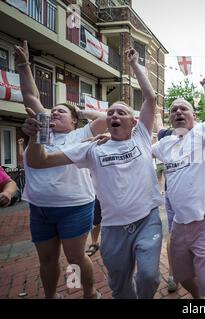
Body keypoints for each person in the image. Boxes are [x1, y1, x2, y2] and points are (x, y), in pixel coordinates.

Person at [23, 48, 163, 299]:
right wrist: (34, 138)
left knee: (149, 276)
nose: (114, 115)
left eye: (122, 112)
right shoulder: (91, 147)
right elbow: (40, 161)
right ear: (106, 121)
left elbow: (151, 99)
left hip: (139, 218)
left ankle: (86, 292)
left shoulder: (140, 135)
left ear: (134, 122)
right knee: (120, 286)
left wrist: (134, 65)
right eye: (110, 113)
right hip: (110, 226)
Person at [15, 40, 107, 299]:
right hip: (40, 207)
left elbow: (103, 118)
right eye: (52, 111)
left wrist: (77, 109)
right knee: (46, 259)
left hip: (75, 207)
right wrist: (24, 66)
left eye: (61, 113)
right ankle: (51, 296)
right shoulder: (42, 132)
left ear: (74, 121)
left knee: (74, 257)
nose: (53, 114)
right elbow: (32, 97)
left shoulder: (81, 134)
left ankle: (87, 292)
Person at [151, 75, 205, 299]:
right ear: (170, 118)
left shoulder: (202, 134)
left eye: (184, 109)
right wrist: (104, 137)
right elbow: (139, 148)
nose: (178, 112)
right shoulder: (164, 144)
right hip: (180, 222)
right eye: (174, 110)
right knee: (181, 273)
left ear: (194, 116)